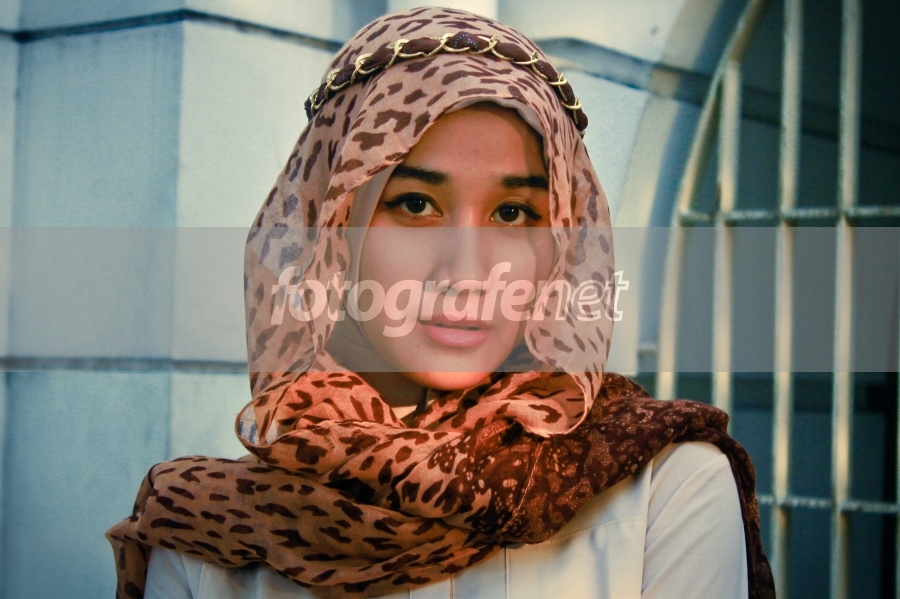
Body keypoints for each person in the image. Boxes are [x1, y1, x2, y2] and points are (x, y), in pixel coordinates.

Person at [107, 7, 774, 599]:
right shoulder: (200, 535)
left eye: (513, 212)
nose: (469, 272)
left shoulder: (668, 489)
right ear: (332, 228)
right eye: (416, 203)